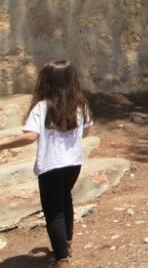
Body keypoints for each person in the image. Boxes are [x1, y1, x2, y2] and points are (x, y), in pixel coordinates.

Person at [0, 59, 92, 268]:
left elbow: (29, 137)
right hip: (73, 164)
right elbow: (86, 132)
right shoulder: (81, 104)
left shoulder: (42, 107)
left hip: (51, 166)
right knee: (65, 199)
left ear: (46, 82)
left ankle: (61, 258)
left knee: (53, 211)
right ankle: (66, 243)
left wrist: (3, 145)